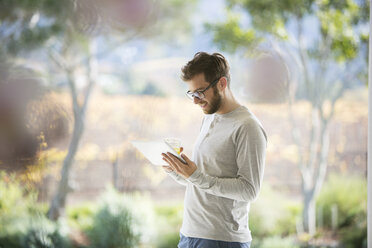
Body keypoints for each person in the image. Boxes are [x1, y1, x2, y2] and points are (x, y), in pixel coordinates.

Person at [161, 52, 267, 248]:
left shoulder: (247, 126)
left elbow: (249, 190)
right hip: (189, 235)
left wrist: (196, 176)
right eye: (192, 94)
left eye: (200, 92)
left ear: (222, 84)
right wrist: (176, 170)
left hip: (221, 240)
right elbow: (202, 180)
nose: (195, 101)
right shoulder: (209, 117)